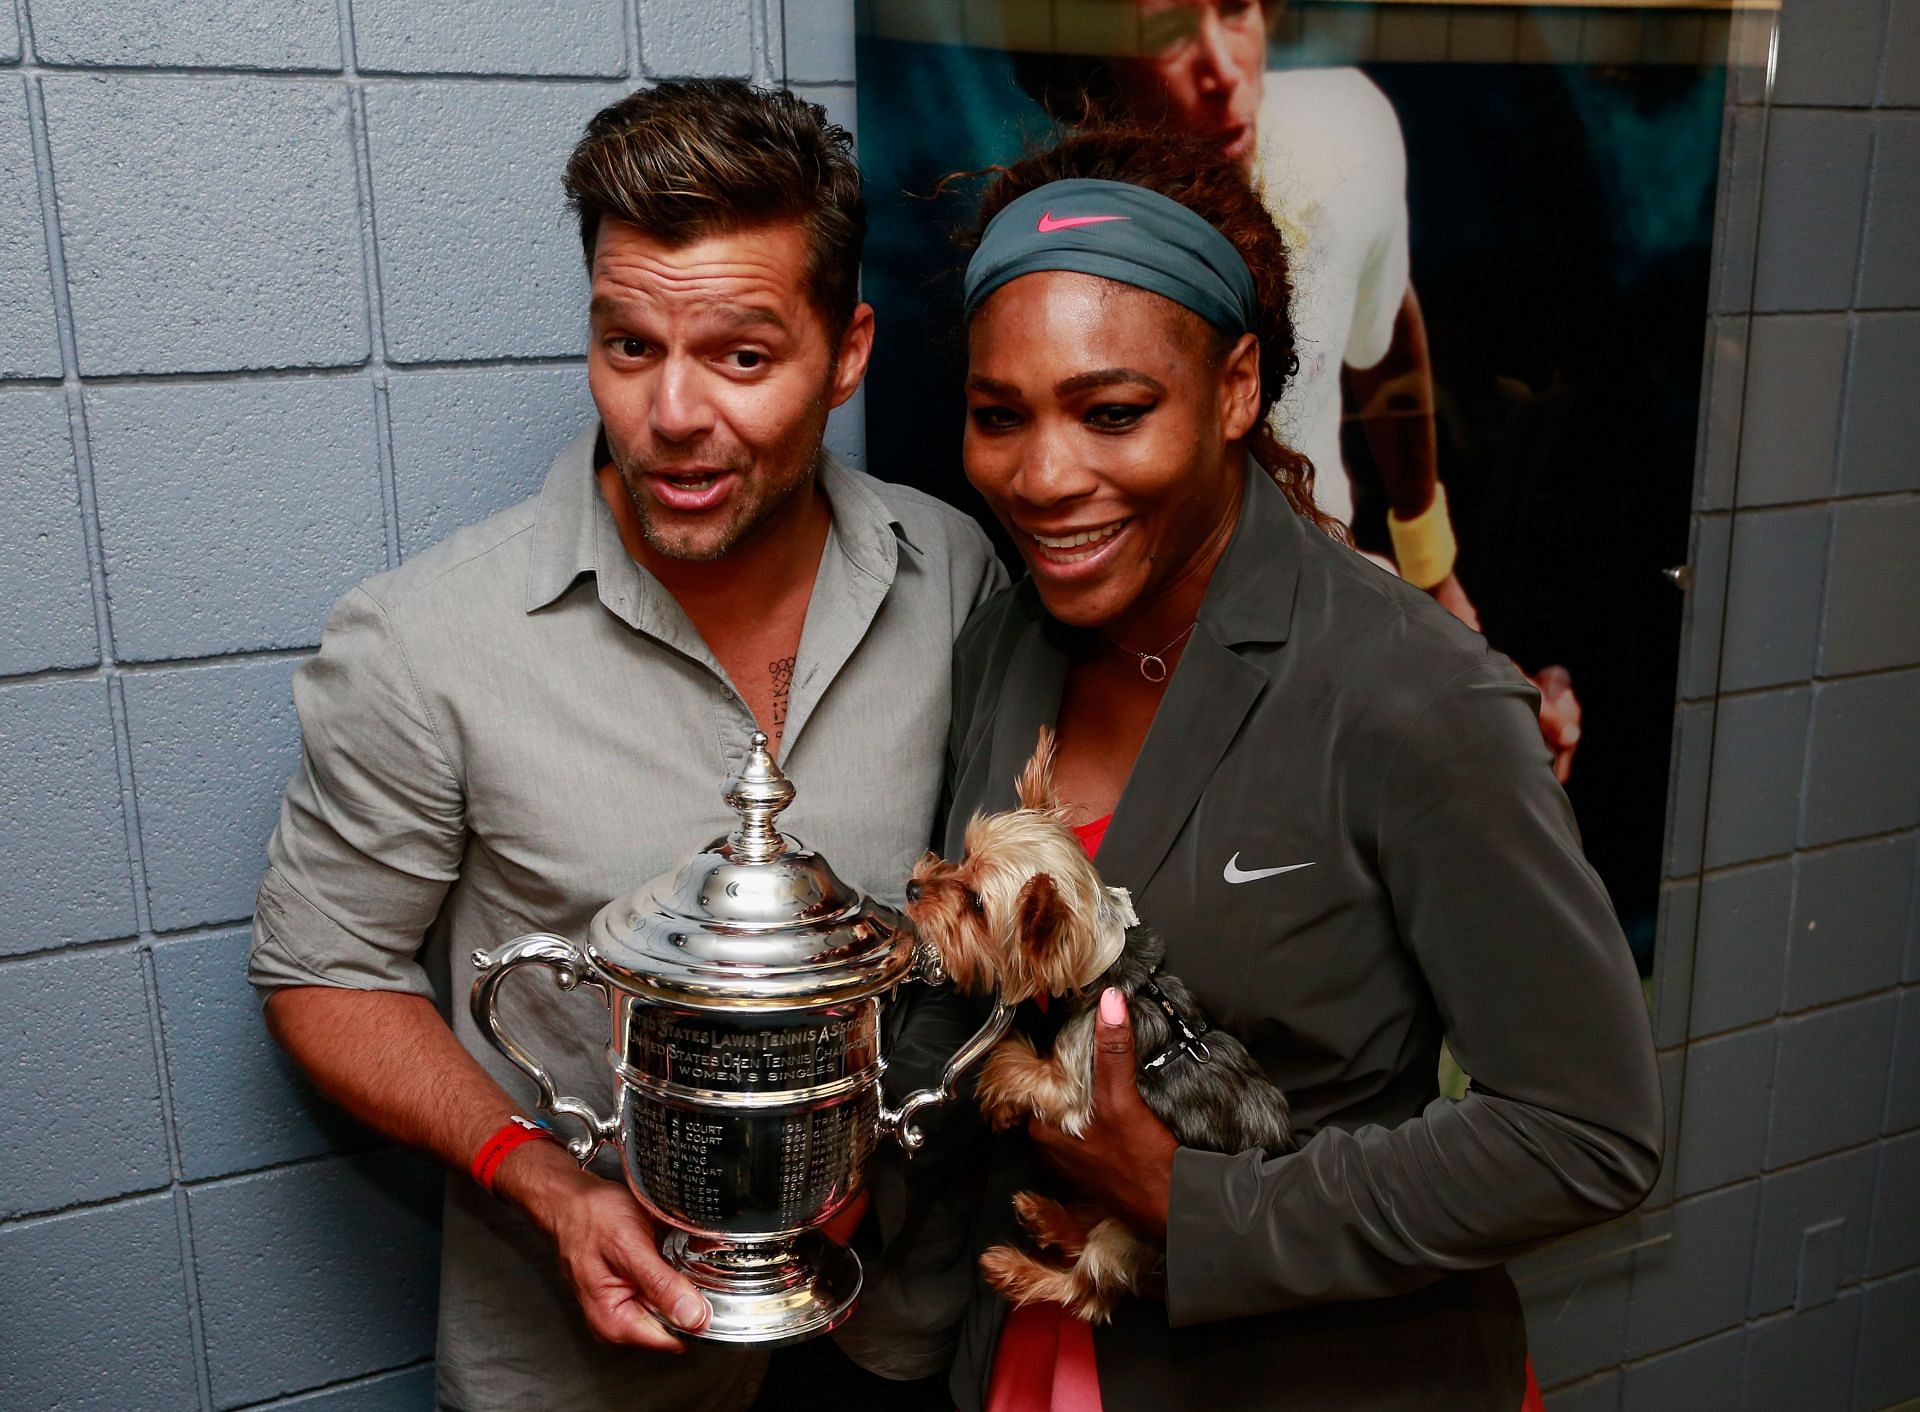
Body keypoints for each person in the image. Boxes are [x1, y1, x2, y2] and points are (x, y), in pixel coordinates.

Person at [248, 79, 1002, 1412]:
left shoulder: (951, 575)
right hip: (594, 1372)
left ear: (850, 351)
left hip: (900, 1337)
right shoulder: (425, 642)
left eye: (742, 356)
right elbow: (323, 969)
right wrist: (535, 1177)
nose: (671, 414)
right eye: (629, 346)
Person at [938, 127, 1661, 1410]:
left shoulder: (1411, 690)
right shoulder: (1009, 637)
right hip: (1044, 1351)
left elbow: (1585, 1134)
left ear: (1232, 388)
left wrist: (1196, 1204)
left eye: (1114, 411)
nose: (1044, 476)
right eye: (1000, 416)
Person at [1011, 0, 1584, 780]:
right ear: (1095, 62)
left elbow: (1386, 329)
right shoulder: (1054, 252)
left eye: (1238, 7)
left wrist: (1431, 572)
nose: (1223, 69)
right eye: (1170, 32)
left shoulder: (1348, 133)